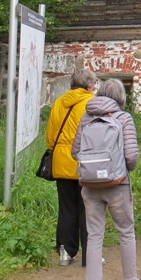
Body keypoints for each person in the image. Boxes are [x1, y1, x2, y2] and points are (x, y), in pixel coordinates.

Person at [72, 79, 141, 280]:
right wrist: (122, 169)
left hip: (90, 185)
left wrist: (93, 167)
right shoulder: (123, 118)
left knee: (94, 234)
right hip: (117, 184)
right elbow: (131, 156)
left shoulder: (86, 118)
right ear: (121, 97)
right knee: (126, 231)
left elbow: (75, 151)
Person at [45, 67, 98, 267]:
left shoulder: (59, 102)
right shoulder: (91, 103)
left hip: (61, 161)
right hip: (84, 162)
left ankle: (65, 253)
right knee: (88, 209)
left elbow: (50, 137)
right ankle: (90, 256)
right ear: (89, 85)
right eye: (94, 82)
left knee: (66, 208)